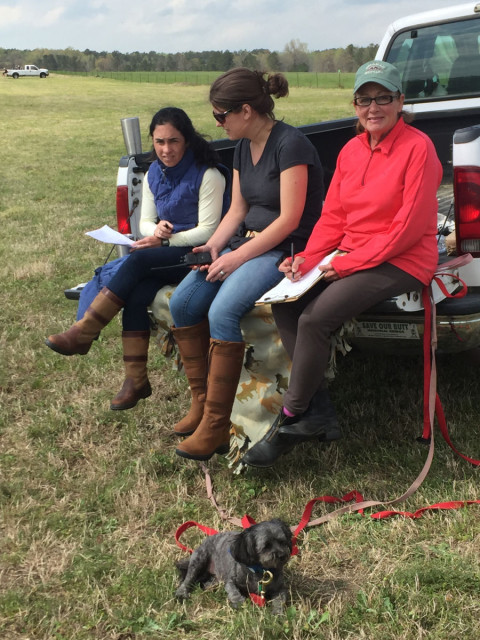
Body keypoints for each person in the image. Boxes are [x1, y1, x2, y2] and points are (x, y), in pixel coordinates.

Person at [242, 60, 443, 468]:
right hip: (353, 254)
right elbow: (332, 216)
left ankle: (292, 416)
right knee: (286, 303)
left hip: (403, 258)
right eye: (365, 99)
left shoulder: (418, 147)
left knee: (316, 318)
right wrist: (307, 260)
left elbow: (406, 229)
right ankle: (317, 412)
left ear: (400, 102)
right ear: (354, 105)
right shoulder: (351, 151)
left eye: (383, 97)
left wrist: (347, 266)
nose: (374, 107)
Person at [169, 67, 324, 462]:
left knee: (223, 309)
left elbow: (289, 220)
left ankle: (219, 426)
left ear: (246, 111)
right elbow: (238, 209)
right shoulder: (241, 146)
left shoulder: (292, 146)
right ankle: (203, 406)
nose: (216, 123)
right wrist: (213, 247)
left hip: (284, 249)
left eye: (221, 115)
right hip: (246, 243)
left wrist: (236, 257)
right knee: (182, 303)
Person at [45, 107, 228, 411]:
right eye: (159, 142)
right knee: (135, 294)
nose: (166, 149)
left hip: (198, 254)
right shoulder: (154, 172)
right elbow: (143, 222)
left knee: (138, 262)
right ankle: (136, 380)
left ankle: (85, 331)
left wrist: (164, 240)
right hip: (163, 252)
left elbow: (208, 230)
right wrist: (154, 230)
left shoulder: (208, 173)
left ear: (188, 140)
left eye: (173, 141)